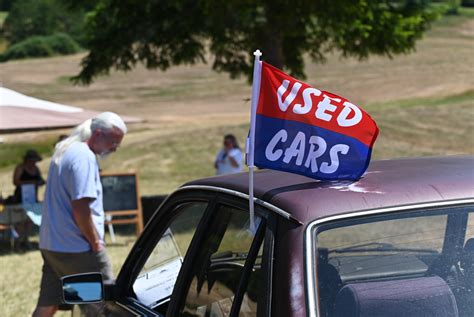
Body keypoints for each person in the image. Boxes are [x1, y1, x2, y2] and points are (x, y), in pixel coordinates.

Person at [32, 112, 127, 317]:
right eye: (113, 142)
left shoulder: (65, 150)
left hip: (53, 246)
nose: (115, 148)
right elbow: (81, 208)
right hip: (77, 250)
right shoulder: (84, 157)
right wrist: (95, 243)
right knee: (102, 306)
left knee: (48, 304)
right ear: (98, 133)